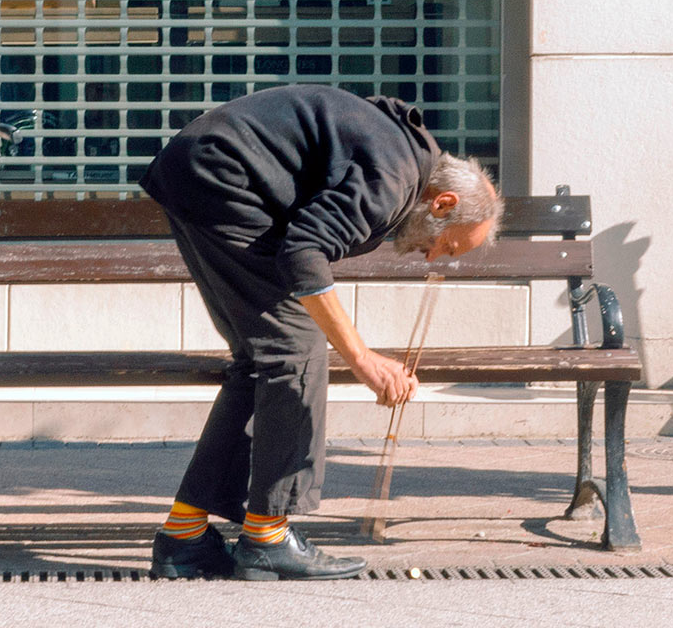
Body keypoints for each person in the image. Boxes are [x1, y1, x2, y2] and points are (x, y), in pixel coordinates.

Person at [139, 84, 503, 581]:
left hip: (200, 170)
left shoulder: (399, 161)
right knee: (296, 354)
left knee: (267, 359)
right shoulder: (394, 179)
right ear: (442, 203)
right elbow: (303, 252)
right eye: (447, 245)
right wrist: (362, 358)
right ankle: (266, 536)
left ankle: (184, 538)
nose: (434, 257)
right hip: (218, 175)